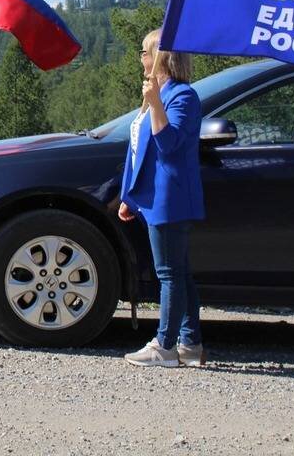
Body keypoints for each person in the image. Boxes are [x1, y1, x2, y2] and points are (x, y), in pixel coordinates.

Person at [118, 28, 205, 367]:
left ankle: (165, 346)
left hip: (171, 198)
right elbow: (139, 151)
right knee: (179, 273)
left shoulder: (183, 97)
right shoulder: (156, 95)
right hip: (153, 197)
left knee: (169, 273)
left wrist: (155, 103)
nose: (141, 58)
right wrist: (130, 195)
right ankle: (190, 343)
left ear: (162, 59)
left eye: (145, 52)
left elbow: (168, 145)